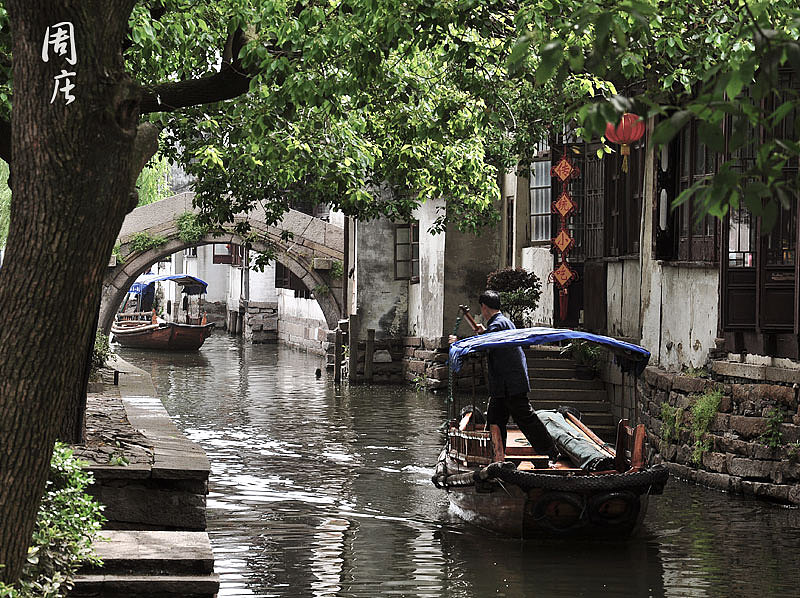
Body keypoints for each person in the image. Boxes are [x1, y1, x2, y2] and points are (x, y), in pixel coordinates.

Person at [449, 290, 559, 462]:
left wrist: (457, 344)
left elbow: (485, 348)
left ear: (484, 307)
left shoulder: (497, 325)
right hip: (506, 383)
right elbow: (492, 340)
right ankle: (496, 456)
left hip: (509, 383)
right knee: (495, 419)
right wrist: (484, 333)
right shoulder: (503, 322)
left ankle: (551, 451)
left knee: (524, 418)